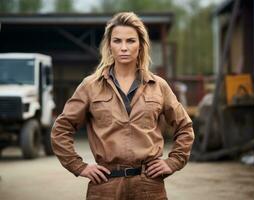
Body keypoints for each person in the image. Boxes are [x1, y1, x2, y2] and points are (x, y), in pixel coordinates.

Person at [51, 12, 194, 200]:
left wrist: (174, 161)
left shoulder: (159, 86)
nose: (124, 48)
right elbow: (61, 128)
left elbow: (184, 127)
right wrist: (80, 166)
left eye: (131, 41)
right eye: (117, 41)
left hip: (149, 185)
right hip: (105, 185)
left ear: (141, 45)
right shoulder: (90, 86)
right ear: (109, 45)